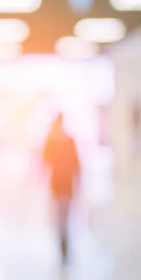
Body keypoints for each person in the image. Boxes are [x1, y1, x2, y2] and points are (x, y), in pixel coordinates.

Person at [42, 112, 81, 264]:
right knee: (62, 213)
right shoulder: (62, 141)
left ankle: (63, 238)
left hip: (61, 182)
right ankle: (63, 238)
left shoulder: (54, 142)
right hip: (62, 183)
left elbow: (45, 162)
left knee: (62, 213)